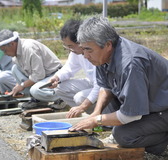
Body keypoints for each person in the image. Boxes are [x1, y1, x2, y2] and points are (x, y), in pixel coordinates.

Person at [69, 16, 168, 156]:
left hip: (164, 109)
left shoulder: (130, 63)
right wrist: (97, 113)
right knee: (108, 107)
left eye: (88, 50)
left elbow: (132, 115)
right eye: (83, 49)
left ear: (108, 45)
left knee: (123, 135)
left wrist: (97, 121)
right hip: (153, 105)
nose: (85, 55)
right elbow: (106, 87)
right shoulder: (103, 57)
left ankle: (163, 144)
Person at [0, 29, 63, 109]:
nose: (5, 53)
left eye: (4, 50)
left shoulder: (29, 48)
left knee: (35, 90)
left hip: (54, 76)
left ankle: (62, 97)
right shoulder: (16, 55)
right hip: (43, 77)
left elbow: (38, 75)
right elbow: (28, 74)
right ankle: (39, 101)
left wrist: (22, 85)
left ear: (12, 44)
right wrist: (17, 87)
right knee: (14, 69)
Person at [49, 19, 100, 116]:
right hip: (93, 84)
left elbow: (101, 85)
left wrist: (83, 106)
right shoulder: (76, 52)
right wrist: (57, 77)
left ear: (81, 41)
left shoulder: (96, 53)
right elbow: (69, 68)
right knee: (60, 87)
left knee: (80, 98)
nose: (70, 49)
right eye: (67, 46)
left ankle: (99, 115)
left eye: (71, 46)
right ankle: (84, 114)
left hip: (104, 88)